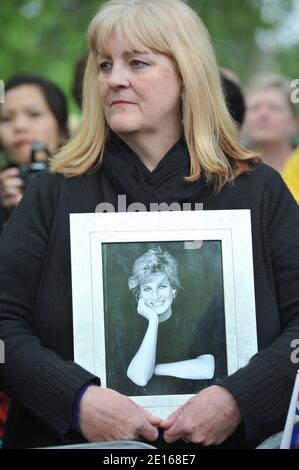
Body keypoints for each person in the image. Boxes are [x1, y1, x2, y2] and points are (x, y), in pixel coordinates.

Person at [0, 0, 299, 449]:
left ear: (187, 74)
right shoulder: (55, 192)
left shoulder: (258, 191)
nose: (114, 78)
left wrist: (238, 399)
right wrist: (75, 400)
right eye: (104, 65)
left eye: (137, 62)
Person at [127, 246, 215, 387]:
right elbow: (140, 378)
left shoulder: (188, 322)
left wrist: (155, 368)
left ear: (173, 290)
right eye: (147, 289)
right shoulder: (129, 328)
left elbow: (207, 369)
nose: (155, 296)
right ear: (140, 296)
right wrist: (153, 321)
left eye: (162, 286)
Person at [0, 74, 69, 233]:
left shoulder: (87, 183)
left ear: (62, 130)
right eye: (5, 119)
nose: (19, 126)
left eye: (34, 114)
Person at [243, 75, 298, 174]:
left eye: (274, 107)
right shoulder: (228, 171)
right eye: (255, 107)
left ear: (293, 121)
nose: (263, 114)